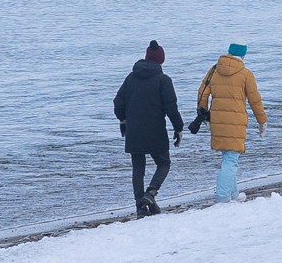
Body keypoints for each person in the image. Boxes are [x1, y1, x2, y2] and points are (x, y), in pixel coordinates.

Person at [112, 40, 184, 217]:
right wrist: (179, 128)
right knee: (164, 163)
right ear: (161, 60)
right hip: (155, 131)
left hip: (134, 132)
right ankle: (150, 194)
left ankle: (141, 206)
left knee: (138, 169)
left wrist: (123, 120)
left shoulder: (130, 78)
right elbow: (171, 108)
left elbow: (118, 103)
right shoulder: (163, 80)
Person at [192, 42, 268, 203]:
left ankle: (233, 194)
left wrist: (204, 115)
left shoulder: (214, 70)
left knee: (228, 155)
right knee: (231, 158)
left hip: (218, 120)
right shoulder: (246, 74)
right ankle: (222, 196)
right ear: (243, 55)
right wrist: (262, 121)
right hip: (236, 121)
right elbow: (255, 100)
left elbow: (202, 94)